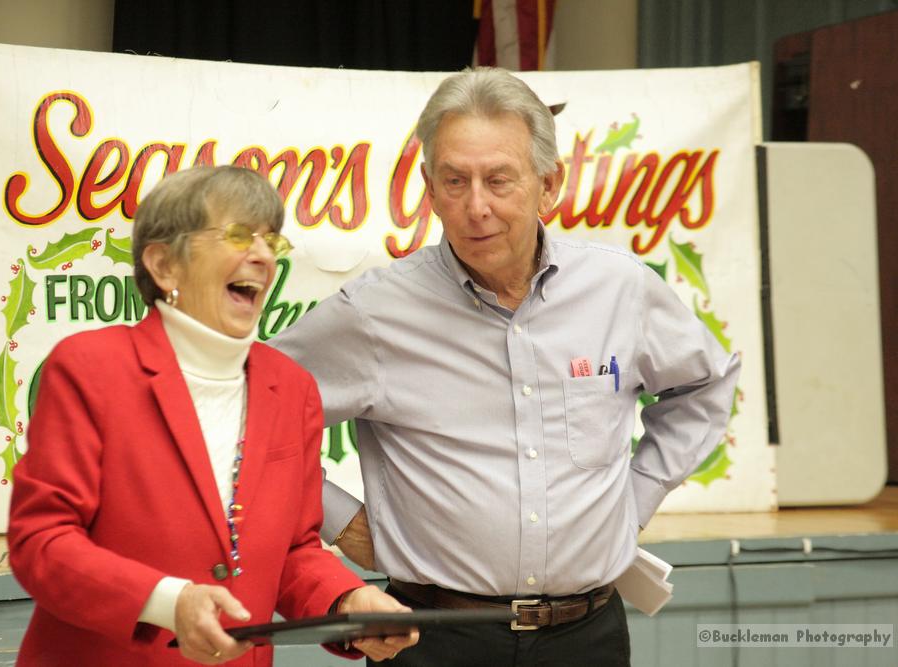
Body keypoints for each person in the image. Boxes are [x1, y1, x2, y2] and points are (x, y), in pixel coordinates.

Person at [269, 67, 741, 666]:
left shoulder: (620, 290)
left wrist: (636, 499)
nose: (477, 207)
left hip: (589, 636)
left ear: (549, 186)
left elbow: (706, 384)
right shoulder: (374, 314)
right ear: (429, 188)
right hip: (436, 639)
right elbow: (247, 411)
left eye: (498, 180)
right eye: (454, 181)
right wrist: (339, 519)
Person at [8, 166, 418, 666]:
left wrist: (347, 602)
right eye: (240, 235)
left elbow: (292, 551)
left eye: (272, 241)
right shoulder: (91, 369)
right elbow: (42, 542)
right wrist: (166, 602)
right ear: (163, 265)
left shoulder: (293, 390)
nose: (263, 255)